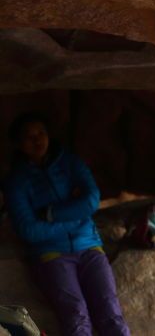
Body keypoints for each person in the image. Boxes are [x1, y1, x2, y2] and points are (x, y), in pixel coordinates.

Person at [2, 112, 130, 336]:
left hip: (90, 247)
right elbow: (28, 230)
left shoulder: (70, 162)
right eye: (29, 136)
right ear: (18, 143)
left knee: (111, 312)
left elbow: (91, 200)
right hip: (51, 254)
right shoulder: (16, 181)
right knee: (76, 315)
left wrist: (51, 213)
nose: (37, 140)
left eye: (41, 133)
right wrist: (76, 217)